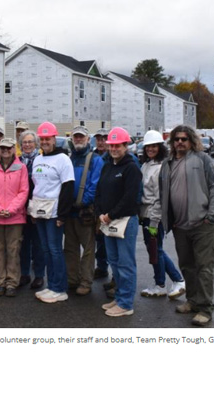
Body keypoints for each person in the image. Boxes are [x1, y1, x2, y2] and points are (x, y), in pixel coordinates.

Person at [160, 125, 214, 326]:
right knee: (187, 266)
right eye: (176, 139)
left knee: (204, 268)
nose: (180, 142)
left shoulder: (203, 160)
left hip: (201, 225)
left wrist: (211, 216)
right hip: (180, 226)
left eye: (184, 139)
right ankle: (193, 301)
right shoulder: (168, 163)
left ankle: (205, 308)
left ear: (191, 141)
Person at [97, 127, 142, 317]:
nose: (114, 148)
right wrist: (100, 212)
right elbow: (100, 191)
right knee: (114, 262)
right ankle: (119, 296)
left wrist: (110, 214)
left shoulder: (131, 168)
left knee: (125, 263)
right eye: (111, 145)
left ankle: (126, 304)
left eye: (118, 145)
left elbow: (130, 198)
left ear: (125, 145)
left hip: (124, 221)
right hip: (108, 220)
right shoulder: (108, 165)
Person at [137, 130, 186, 299]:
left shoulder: (161, 168)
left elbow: (160, 198)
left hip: (153, 218)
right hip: (146, 216)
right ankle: (163, 283)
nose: (150, 149)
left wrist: (155, 219)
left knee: (155, 250)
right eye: (148, 146)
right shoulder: (146, 165)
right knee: (155, 250)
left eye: (154, 146)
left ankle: (172, 281)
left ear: (160, 147)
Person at [30, 122, 75, 303]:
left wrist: (62, 215)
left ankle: (60, 288)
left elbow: (68, 187)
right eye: (42, 138)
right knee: (46, 249)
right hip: (40, 212)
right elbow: (36, 186)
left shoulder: (63, 159)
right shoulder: (38, 159)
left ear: (54, 139)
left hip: (55, 213)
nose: (45, 141)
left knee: (55, 250)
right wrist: (33, 211)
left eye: (48, 138)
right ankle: (51, 285)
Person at [0, 137, 28, 296]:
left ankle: (12, 283)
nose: (6, 151)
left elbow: (24, 191)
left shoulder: (21, 168)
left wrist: (11, 209)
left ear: (13, 149)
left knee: (13, 250)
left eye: (9, 148)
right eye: (3, 148)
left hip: (15, 218)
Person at [65, 126, 103, 296]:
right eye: (76, 137)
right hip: (69, 212)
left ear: (88, 139)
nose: (78, 140)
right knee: (70, 248)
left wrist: (82, 202)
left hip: (84, 212)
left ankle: (86, 281)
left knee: (88, 250)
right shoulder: (68, 158)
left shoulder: (95, 160)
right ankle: (72, 279)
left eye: (82, 137)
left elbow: (95, 186)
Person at [16, 130, 46, 290]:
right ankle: (24, 273)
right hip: (20, 208)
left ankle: (40, 275)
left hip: (38, 207)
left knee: (38, 243)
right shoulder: (17, 161)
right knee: (23, 243)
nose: (27, 145)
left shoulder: (41, 160)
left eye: (30, 142)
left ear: (36, 144)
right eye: (24, 142)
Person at [92, 128, 111, 280]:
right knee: (98, 237)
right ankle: (101, 266)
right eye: (98, 138)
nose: (101, 141)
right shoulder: (91, 156)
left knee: (107, 239)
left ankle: (109, 270)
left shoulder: (110, 158)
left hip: (106, 204)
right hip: (93, 203)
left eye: (104, 139)